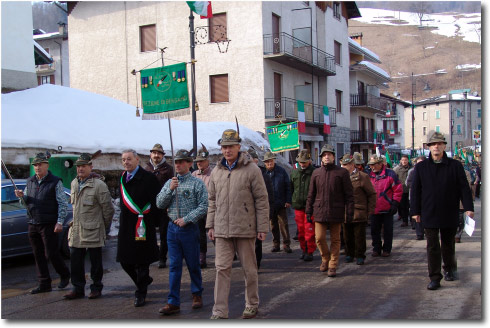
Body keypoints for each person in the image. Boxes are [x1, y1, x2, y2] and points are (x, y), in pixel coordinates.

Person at [206, 129, 269, 319]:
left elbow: (261, 199)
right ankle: (219, 311)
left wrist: (262, 227)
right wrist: (210, 226)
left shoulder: (252, 170)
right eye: (224, 147)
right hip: (222, 230)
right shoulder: (217, 171)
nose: (227, 150)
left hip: (245, 228)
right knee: (221, 269)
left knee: (249, 269)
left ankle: (252, 303)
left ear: (238, 147)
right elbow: (212, 200)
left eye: (230, 146)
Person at [410, 132, 474, 290]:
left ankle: (450, 269)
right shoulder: (421, 167)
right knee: (432, 246)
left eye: (439, 144)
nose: (436, 147)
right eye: (433, 144)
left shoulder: (455, 166)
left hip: (449, 211)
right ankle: (434, 277)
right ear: (429, 148)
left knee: (448, 244)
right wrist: (415, 211)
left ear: (445, 146)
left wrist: (468, 208)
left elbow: (464, 189)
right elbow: (415, 191)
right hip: (429, 212)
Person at [156, 149, 208, 315]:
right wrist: (170, 189)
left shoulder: (197, 183)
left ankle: (197, 294)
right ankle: (173, 302)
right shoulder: (171, 182)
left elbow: (203, 206)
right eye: (176, 162)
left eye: (181, 162)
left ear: (189, 164)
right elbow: (160, 203)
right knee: (174, 266)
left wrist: (187, 218)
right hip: (172, 229)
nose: (178, 165)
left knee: (193, 264)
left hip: (189, 229)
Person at [14, 152, 71, 294]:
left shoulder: (55, 181)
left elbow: (62, 203)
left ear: (47, 165)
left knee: (51, 253)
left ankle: (64, 274)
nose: (37, 167)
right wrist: (22, 197)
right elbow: (25, 202)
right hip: (33, 222)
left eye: (40, 164)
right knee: (38, 254)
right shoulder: (30, 181)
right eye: (35, 165)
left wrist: (59, 222)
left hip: (48, 223)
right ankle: (44, 283)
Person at [64, 153, 114, 300]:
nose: (80, 169)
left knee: (95, 263)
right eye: (78, 166)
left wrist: (103, 227)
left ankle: (96, 287)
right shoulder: (74, 183)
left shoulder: (99, 185)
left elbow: (108, 209)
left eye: (84, 166)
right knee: (75, 262)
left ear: (90, 167)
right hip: (77, 230)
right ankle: (77, 288)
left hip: (93, 229)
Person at [117, 149, 161, 307]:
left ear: (137, 160)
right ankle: (143, 281)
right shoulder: (122, 178)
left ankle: (140, 293)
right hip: (127, 225)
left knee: (142, 261)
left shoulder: (148, 178)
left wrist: (154, 222)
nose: (126, 162)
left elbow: (157, 202)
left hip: (143, 223)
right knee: (124, 260)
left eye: (129, 159)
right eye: (123, 160)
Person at [306, 144, 354, 277]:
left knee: (335, 239)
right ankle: (325, 258)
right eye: (324, 155)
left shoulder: (342, 173)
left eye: (329, 154)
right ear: (321, 158)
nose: (327, 157)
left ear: (333, 157)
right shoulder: (316, 173)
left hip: (336, 211)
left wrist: (349, 212)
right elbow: (311, 194)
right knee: (319, 238)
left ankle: (333, 264)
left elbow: (349, 195)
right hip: (320, 211)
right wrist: (308, 211)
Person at [340, 153, 376, 265]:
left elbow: (372, 194)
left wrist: (370, 210)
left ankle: (360, 255)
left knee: (359, 235)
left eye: (345, 164)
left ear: (352, 165)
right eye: (342, 164)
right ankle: (349, 254)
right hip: (345, 211)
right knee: (347, 235)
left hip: (359, 211)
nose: (343, 167)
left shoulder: (362, 177)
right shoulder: (341, 177)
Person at [144, 143, 174, 269]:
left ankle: (162, 258)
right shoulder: (146, 169)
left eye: (159, 153)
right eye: (154, 153)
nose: (156, 155)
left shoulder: (169, 169)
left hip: (163, 206)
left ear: (162, 155)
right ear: (151, 154)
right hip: (149, 206)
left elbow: (173, 187)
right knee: (149, 233)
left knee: (164, 233)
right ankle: (151, 256)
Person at [367, 154, 403, 257]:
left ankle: (387, 249)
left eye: (374, 165)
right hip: (374, 208)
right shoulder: (369, 175)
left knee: (387, 230)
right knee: (374, 230)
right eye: (371, 165)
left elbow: (397, 189)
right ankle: (376, 248)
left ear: (380, 164)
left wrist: (395, 203)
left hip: (387, 207)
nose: (372, 167)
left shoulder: (390, 174)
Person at [247, 147, 274, 270]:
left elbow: (267, 196)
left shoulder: (263, 174)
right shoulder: (243, 173)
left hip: (257, 212)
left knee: (257, 241)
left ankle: (256, 263)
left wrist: (268, 213)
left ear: (256, 161)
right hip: (245, 213)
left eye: (250, 160)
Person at [263, 151, 292, 253]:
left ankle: (286, 244)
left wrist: (288, 200)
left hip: (281, 202)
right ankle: (276, 244)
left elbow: (288, 186)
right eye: (267, 162)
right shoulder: (263, 174)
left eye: (271, 161)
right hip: (270, 205)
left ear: (274, 161)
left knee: (283, 224)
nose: (269, 164)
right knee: (273, 225)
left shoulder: (281, 171)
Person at [290, 149, 316, 262]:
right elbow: (291, 187)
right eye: (300, 162)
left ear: (309, 161)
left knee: (309, 230)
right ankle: (303, 250)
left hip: (310, 207)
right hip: (298, 205)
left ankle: (310, 251)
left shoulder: (315, 173)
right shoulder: (294, 172)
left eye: (304, 162)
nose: (302, 164)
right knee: (301, 231)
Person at [191, 144, 212, 268]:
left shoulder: (214, 174)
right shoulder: (193, 175)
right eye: (198, 161)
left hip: (211, 209)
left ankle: (225, 253)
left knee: (214, 233)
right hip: (198, 209)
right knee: (200, 235)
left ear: (207, 161)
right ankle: (202, 257)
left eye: (202, 161)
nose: (199, 163)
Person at [452, 156, 472, 244]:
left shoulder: (466, 172)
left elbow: (467, 185)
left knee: (460, 218)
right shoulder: (449, 172)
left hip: (460, 200)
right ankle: (451, 234)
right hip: (448, 200)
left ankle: (458, 235)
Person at [406, 155, 426, 240]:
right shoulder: (412, 172)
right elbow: (408, 183)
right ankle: (419, 233)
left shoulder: (428, 171)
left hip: (426, 197)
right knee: (417, 215)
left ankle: (426, 229)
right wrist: (416, 186)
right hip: (415, 196)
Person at [394, 155, 411, 227]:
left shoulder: (412, 168)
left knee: (410, 205)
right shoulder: (397, 169)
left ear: (408, 161)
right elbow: (394, 179)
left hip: (410, 190)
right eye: (403, 160)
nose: (404, 161)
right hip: (402, 190)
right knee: (403, 206)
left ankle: (412, 220)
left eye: (405, 160)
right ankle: (405, 220)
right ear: (400, 161)